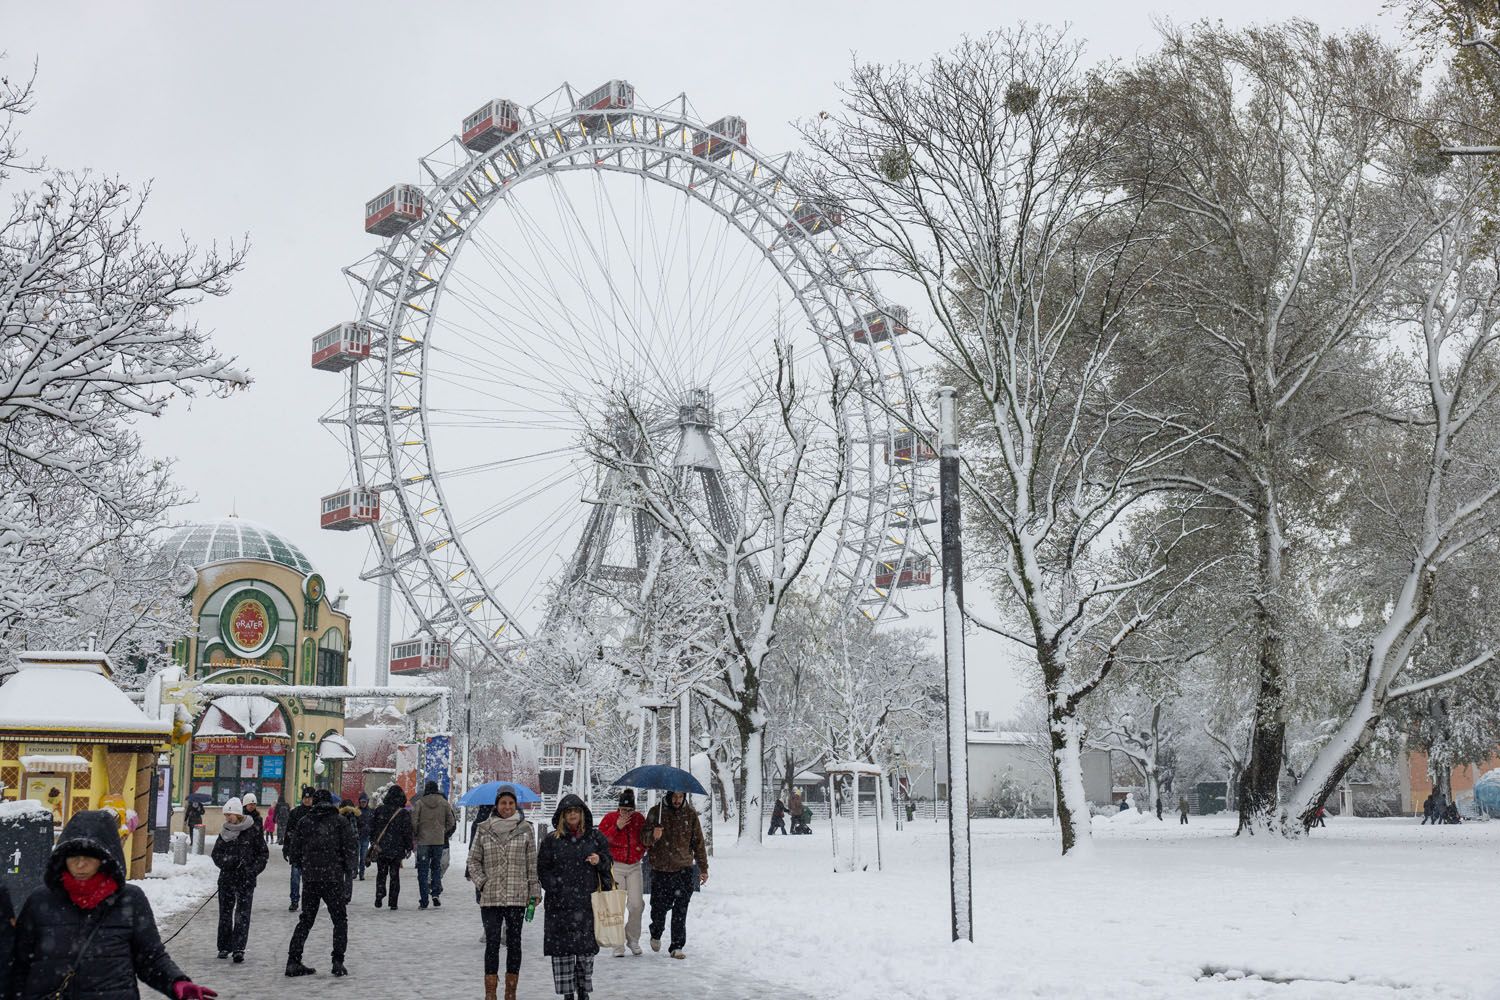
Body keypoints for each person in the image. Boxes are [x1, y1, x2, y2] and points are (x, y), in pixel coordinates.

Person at [12, 809, 217, 999]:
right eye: (73, 857)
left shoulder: (130, 899)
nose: (80, 864)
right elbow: (17, 963)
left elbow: (150, 957)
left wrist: (176, 982)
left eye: (89, 857)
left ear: (105, 859)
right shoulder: (41, 900)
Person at [467, 786, 541, 1000]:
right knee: (492, 943)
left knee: (514, 942)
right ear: (496, 805)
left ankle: (511, 991)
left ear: (515, 805)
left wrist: (534, 890)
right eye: (503, 803)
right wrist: (483, 883)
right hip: (491, 897)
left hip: (517, 896)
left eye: (510, 803)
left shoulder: (526, 829)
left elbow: (532, 863)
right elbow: (473, 861)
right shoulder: (483, 828)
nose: (507, 807)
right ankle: (490, 992)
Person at [537, 794, 612, 1000]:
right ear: (562, 815)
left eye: (576, 811)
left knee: (585, 953)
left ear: (582, 814)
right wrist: (555, 887)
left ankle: (583, 991)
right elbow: (542, 868)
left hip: (587, 904)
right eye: (568, 811)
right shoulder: (551, 840)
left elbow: (608, 861)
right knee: (563, 952)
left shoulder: (595, 837)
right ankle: (567, 993)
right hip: (559, 905)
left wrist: (599, 860)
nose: (572, 815)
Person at [285, 788, 356, 978]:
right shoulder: (340, 822)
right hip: (333, 878)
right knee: (339, 920)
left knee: (306, 920)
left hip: (311, 879)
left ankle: (293, 960)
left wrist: (306, 865)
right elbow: (350, 848)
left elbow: (294, 852)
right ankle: (337, 961)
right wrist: (345, 868)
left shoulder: (304, 822)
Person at [642, 790, 708, 960]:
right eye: (675, 796)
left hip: (683, 869)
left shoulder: (690, 815)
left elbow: (698, 843)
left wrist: (703, 868)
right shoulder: (656, 812)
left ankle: (677, 946)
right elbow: (643, 839)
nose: (677, 800)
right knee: (659, 908)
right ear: (669, 795)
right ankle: (656, 932)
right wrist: (653, 835)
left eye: (681, 797)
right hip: (661, 870)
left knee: (680, 909)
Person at [210, 796, 268, 964]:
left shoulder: (252, 831)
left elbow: (263, 854)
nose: (227, 818)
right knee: (225, 913)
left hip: (246, 879)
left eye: (230, 815)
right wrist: (228, 862)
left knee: (242, 914)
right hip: (227, 878)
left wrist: (252, 870)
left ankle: (238, 948)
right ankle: (224, 946)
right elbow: (216, 854)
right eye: (226, 815)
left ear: (237, 814)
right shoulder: (224, 832)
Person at [599, 789, 646, 957]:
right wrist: (616, 827)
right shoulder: (610, 818)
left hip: (634, 866)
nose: (626, 813)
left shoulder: (639, 819)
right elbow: (600, 840)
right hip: (616, 865)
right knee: (616, 905)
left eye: (630, 810)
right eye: (623, 810)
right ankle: (617, 942)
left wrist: (642, 848)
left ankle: (632, 938)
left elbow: (645, 839)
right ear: (618, 808)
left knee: (636, 904)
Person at [412, 779, 457, 909]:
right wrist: (442, 831)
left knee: (423, 870)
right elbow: (451, 822)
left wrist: (418, 832)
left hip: (423, 841)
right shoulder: (444, 803)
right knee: (436, 867)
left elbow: (414, 821)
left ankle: (424, 900)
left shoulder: (419, 803)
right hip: (438, 841)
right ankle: (435, 893)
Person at [369, 784, 415, 910]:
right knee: (395, 875)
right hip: (397, 849)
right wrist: (409, 847)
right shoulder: (403, 813)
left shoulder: (379, 810)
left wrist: (374, 842)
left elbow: (372, 828)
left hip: (381, 848)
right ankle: (393, 901)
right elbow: (407, 832)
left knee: (381, 873)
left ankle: (379, 894)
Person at [282, 786, 315, 910]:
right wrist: (286, 848)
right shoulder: (295, 813)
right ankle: (294, 900)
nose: (307, 800)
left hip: (312, 852)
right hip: (297, 850)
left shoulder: (316, 813)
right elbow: (288, 831)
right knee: (295, 878)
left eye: (309, 798)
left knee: (309, 880)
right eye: (305, 798)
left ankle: (308, 901)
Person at [355, 792, 374, 879]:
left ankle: (361, 873)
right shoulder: (356, 811)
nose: (363, 803)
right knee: (356, 856)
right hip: (357, 837)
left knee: (363, 857)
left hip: (366, 837)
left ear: (367, 802)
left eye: (364, 802)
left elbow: (372, 823)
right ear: (359, 802)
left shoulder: (370, 812)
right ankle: (355, 871)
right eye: (362, 802)